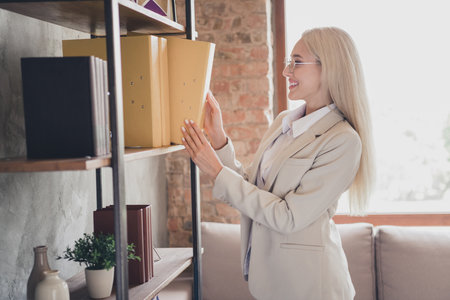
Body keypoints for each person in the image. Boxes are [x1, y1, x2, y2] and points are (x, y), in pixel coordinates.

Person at [180, 26, 374, 300]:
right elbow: (252, 188)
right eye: (287, 62)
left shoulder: (343, 141)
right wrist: (219, 140)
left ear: (327, 67)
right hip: (270, 281)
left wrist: (216, 170)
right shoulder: (283, 122)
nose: (286, 72)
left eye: (296, 62)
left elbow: (288, 216)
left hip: (312, 288)